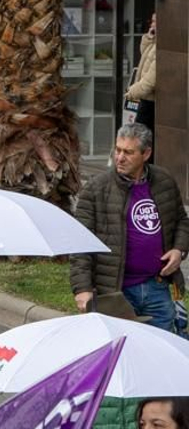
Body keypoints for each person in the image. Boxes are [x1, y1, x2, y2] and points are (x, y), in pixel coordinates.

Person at [71, 124, 189, 333]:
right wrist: (82, 288)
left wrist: (179, 250)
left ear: (146, 153)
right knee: (120, 355)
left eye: (128, 152)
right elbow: (80, 243)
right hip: (116, 293)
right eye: (117, 150)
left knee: (161, 352)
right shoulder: (96, 189)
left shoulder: (164, 181)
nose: (120, 157)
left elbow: (182, 221)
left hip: (158, 287)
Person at [126, 13, 156, 128]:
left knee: (141, 134)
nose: (152, 25)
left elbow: (150, 80)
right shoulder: (155, 42)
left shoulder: (162, 46)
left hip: (150, 100)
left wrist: (133, 92)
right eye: (151, 21)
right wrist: (149, 38)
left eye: (154, 21)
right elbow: (144, 55)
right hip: (146, 98)